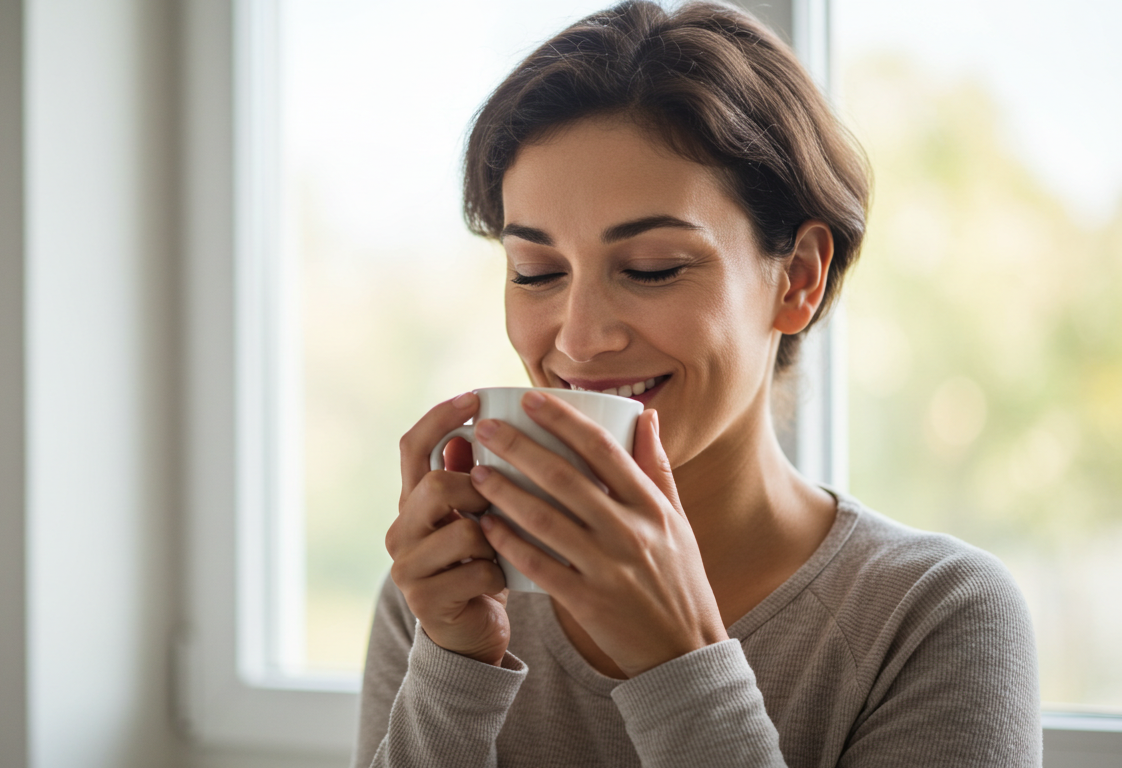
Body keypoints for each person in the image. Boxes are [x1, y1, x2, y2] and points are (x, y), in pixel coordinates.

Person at [354, 1, 1040, 766]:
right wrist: (452, 670)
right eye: (537, 272)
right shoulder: (449, 591)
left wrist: (681, 667)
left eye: (652, 269)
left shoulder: (934, 617)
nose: (579, 339)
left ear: (799, 279)